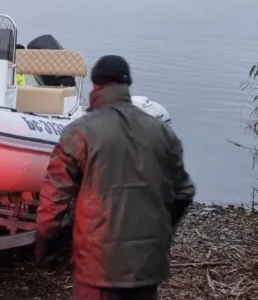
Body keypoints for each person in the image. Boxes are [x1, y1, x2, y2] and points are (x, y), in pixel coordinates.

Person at [34, 55, 196, 300]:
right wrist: (163, 231)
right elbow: (184, 192)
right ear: (127, 84)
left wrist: (45, 242)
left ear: (95, 85)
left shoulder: (79, 132)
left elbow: (54, 195)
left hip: (98, 267)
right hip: (148, 265)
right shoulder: (162, 132)